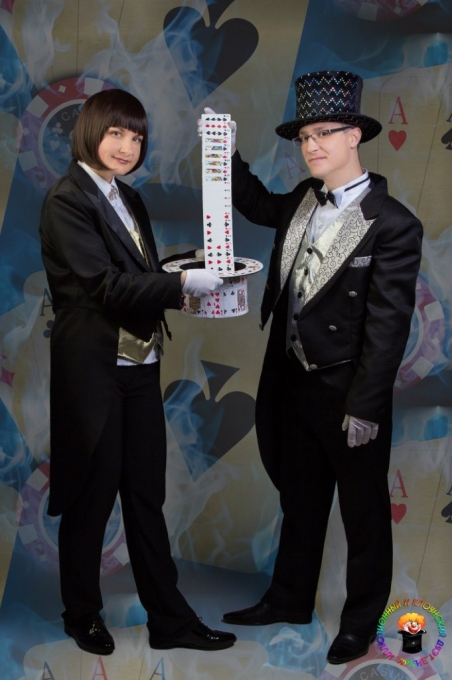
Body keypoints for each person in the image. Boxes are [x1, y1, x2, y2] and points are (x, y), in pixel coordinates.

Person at [199, 70, 423, 665]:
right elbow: (255, 204)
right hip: (291, 378)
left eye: (325, 133)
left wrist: (366, 405)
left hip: (348, 387)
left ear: (355, 136)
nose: (312, 145)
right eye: (304, 137)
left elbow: (388, 327)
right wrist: (224, 151)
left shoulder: (394, 222)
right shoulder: (303, 197)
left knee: (363, 512)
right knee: (300, 499)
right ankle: (290, 599)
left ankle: (361, 622)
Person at [39, 88, 236, 655]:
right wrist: (182, 284)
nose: (127, 146)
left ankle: (170, 622)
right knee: (91, 500)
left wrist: (185, 278)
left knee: (146, 499)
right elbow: (105, 286)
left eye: (137, 137)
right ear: (90, 131)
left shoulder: (128, 196)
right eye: (116, 133)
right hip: (94, 374)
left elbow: (139, 273)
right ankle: (82, 615)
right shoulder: (66, 200)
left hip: (142, 367)